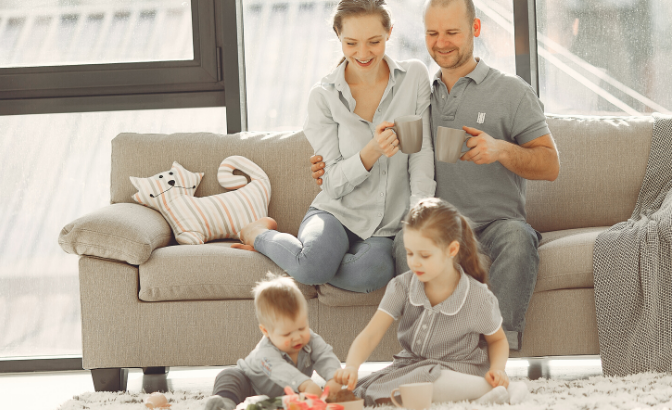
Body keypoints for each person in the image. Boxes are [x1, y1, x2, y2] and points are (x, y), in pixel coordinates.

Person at [311, 0, 559, 349]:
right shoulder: (421, 92)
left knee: (520, 240)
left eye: (452, 32)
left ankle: (493, 349)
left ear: (475, 30)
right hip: (439, 227)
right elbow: (375, 138)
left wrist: (500, 149)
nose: (441, 42)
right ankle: (427, 347)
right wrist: (326, 164)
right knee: (404, 243)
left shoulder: (512, 91)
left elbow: (550, 164)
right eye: (433, 33)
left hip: (498, 224)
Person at [234, 0, 435, 294]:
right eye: (351, 43)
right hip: (336, 214)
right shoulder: (324, 97)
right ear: (338, 36)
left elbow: (421, 151)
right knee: (312, 266)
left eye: (374, 41)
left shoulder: (414, 77)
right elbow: (332, 184)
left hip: (384, 227)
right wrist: (372, 150)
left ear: (390, 33)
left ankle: (318, 262)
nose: (363, 53)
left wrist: (419, 212)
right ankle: (259, 234)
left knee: (375, 271)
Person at [333, 198, 528, 406]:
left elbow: (497, 340)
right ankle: (483, 395)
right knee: (368, 390)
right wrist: (352, 366)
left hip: (459, 369)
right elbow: (371, 334)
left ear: (452, 250)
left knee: (426, 381)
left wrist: (497, 369)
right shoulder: (401, 286)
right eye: (409, 253)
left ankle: (497, 389)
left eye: (424, 255)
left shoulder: (478, 296)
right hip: (413, 368)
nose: (414, 262)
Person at [205, 273, 343, 410]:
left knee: (302, 399)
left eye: (302, 328)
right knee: (229, 376)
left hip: (285, 394)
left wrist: (333, 378)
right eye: (287, 333)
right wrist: (305, 384)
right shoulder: (265, 352)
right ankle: (224, 403)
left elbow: (325, 356)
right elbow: (279, 369)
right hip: (250, 384)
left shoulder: (311, 340)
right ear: (266, 331)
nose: (297, 336)